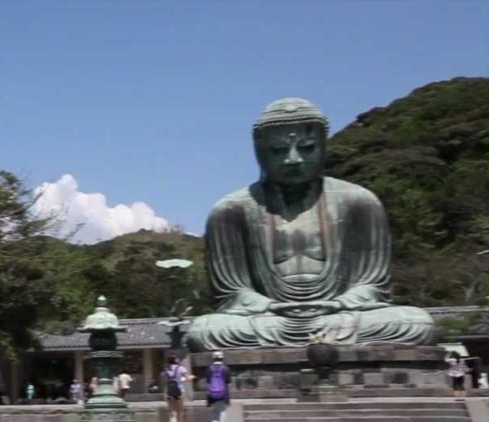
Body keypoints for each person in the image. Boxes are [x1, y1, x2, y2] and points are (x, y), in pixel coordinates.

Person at [186, 97, 433, 351]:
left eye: (307, 148)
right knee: (205, 330)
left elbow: (373, 285)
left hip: (340, 316)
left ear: (323, 147)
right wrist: (269, 306)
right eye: (279, 151)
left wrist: (340, 303)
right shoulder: (231, 210)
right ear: (259, 152)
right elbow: (231, 293)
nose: (293, 159)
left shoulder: (360, 202)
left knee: (416, 323)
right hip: (269, 320)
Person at [162, 354, 191, 422]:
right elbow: (188, 379)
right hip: (180, 391)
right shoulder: (181, 368)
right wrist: (184, 379)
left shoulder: (165, 369)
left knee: (172, 412)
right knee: (180, 411)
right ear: (176, 360)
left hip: (169, 392)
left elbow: (164, 381)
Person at [206, 352, 232, 422]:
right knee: (223, 411)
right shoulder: (225, 368)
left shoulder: (209, 369)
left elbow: (208, 381)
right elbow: (228, 381)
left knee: (214, 411)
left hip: (212, 392)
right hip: (223, 392)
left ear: (213, 358)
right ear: (222, 358)